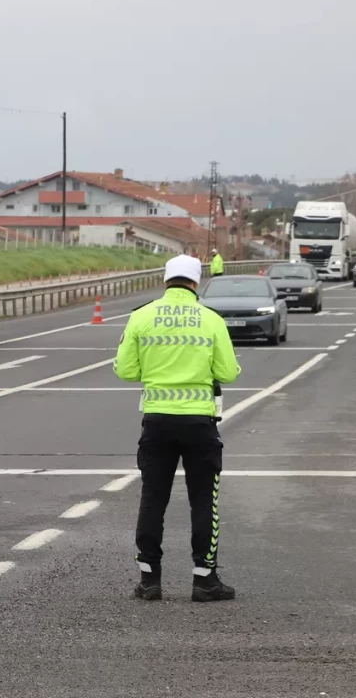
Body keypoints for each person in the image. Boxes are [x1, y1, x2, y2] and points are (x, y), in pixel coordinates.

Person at [113, 254, 241, 602]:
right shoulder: (211, 319)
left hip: (156, 421)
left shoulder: (141, 316)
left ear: (166, 280)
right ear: (196, 282)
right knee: (203, 501)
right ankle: (204, 580)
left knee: (153, 498)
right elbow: (229, 373)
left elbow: (124, 370)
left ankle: (149, 580)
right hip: (199, 422)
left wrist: (156, 371)